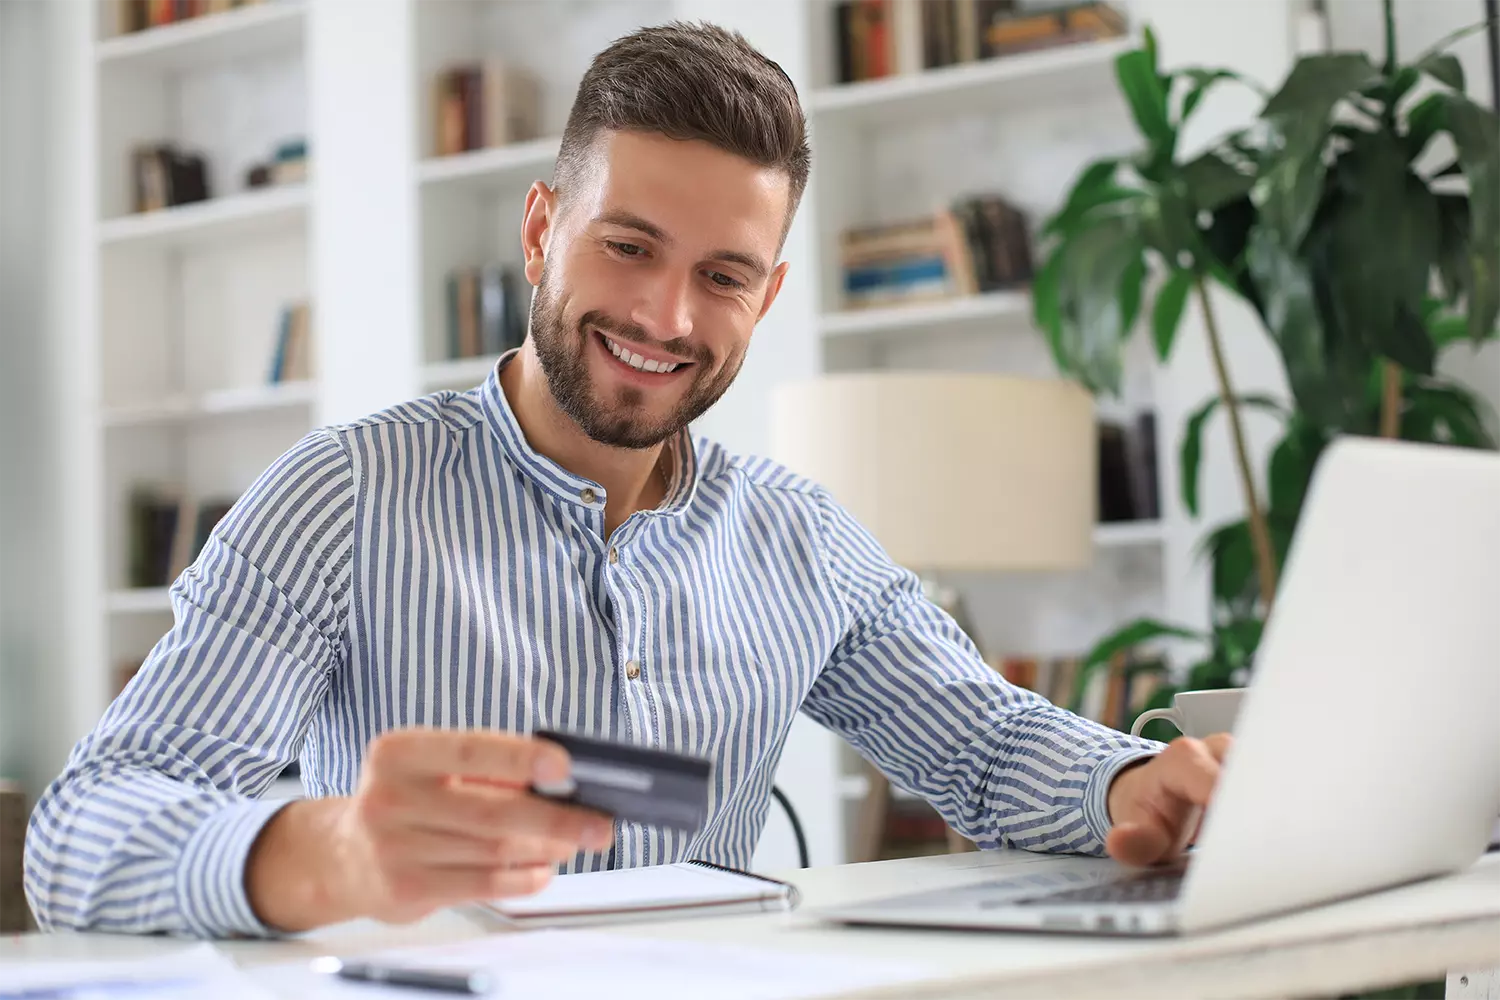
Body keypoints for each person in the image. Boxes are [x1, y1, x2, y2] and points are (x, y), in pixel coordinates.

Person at [23, 22, 1229, 939]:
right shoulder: (342, 495)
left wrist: (1136, 776)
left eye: (723, 274)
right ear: (543, 229)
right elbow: (79, 835)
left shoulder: (797, 535)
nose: (665, 314)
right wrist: (325, 848)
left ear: (767, 296)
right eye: (630, 245)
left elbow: (984, 742)